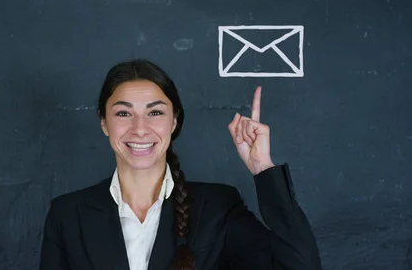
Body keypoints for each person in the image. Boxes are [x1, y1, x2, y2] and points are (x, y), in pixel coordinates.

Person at [39, 59, 322, 270]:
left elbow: (299, 266)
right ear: (104, 122)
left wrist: (263, 168)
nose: (140, 129)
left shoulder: (217, 207)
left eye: (155, 112)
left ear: (174, 121)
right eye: (124, 113)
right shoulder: (67, 215)